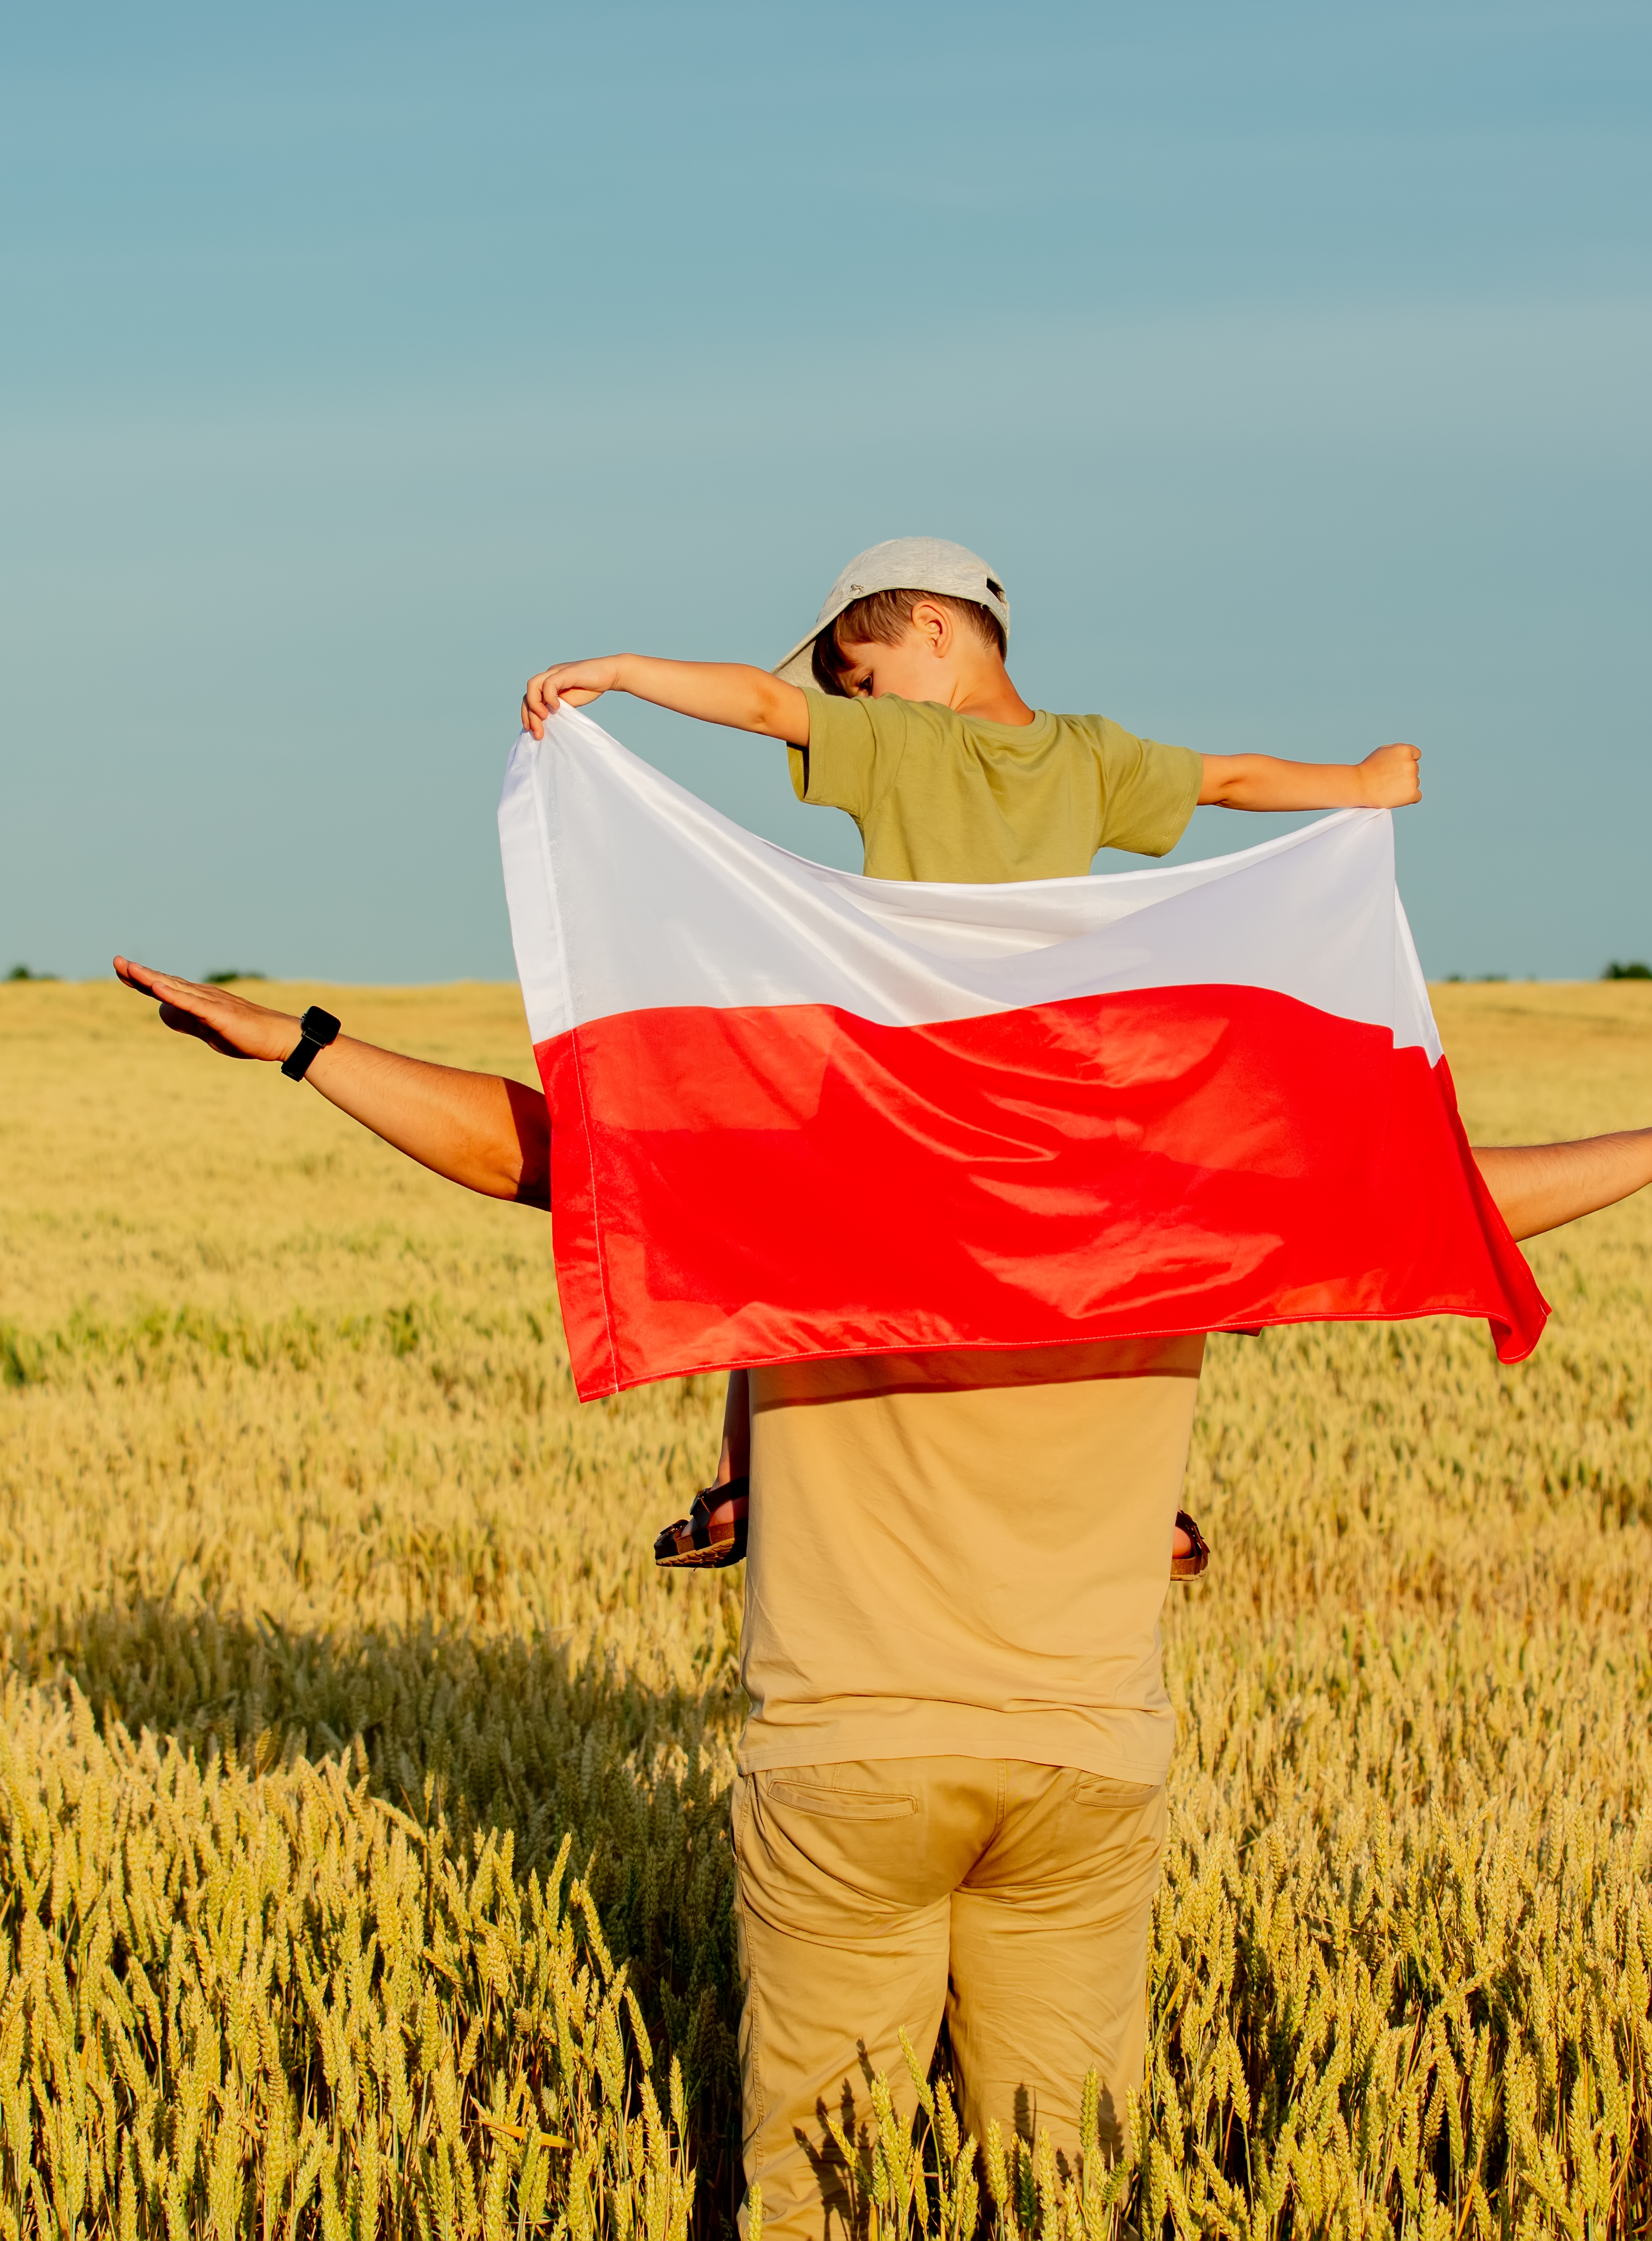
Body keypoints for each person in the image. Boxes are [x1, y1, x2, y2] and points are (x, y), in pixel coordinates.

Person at [111, 547, 1652, 2234]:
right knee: (1063, 2185)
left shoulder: (831, 1180)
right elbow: (1436, 1196)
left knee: (821, 2200)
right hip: (1086, 1761)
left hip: (853, 1756)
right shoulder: (1152, 1197)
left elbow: (553, 1157)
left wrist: (310, 1047)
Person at [512, 538, 1428, 1580]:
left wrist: (626, 672)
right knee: (1136, 1258)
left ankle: (744, 1477)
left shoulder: (904, 743)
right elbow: (1229, 780)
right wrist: (1354, 784)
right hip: (1054, 1078)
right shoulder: (1091, 755)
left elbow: (765, 708)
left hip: (905, 1065)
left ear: (933, 631)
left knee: (782, 1232)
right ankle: (1155, 1505)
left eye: (862, 674)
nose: (861, 698)